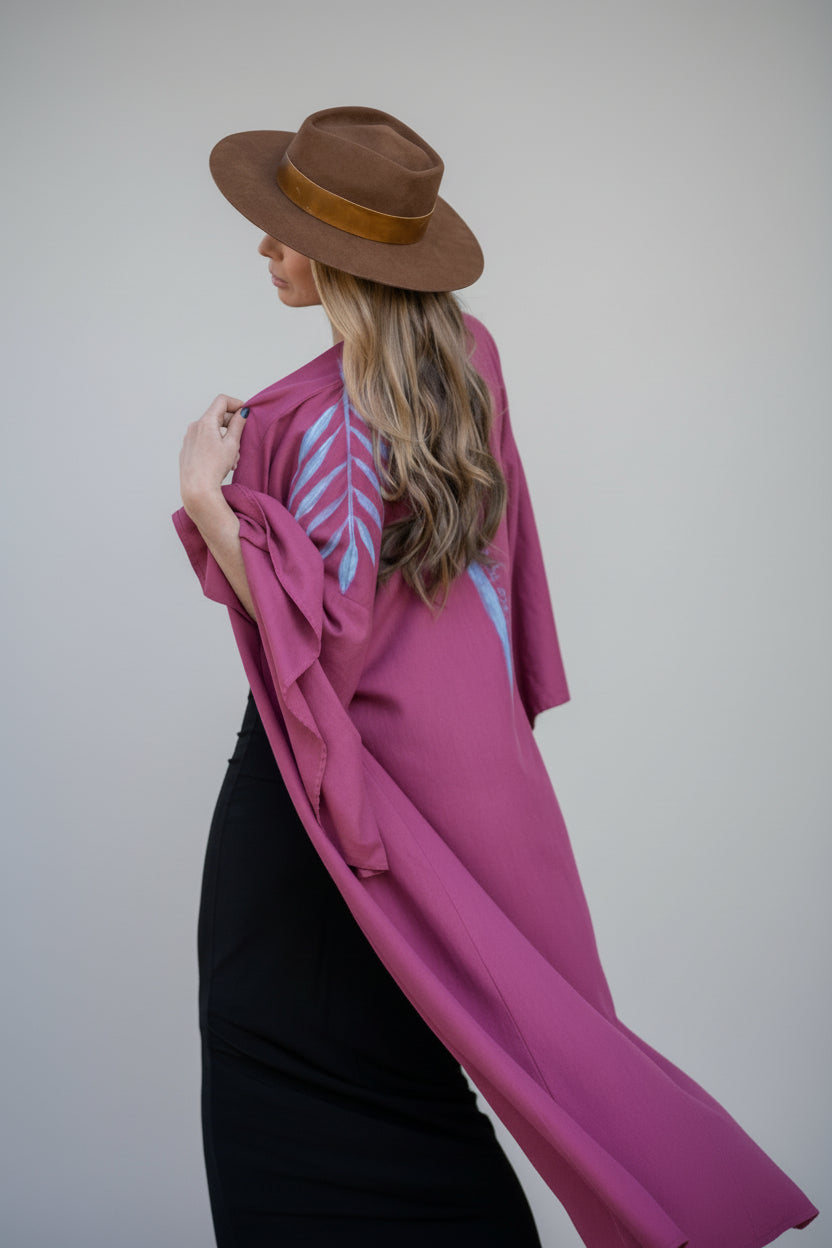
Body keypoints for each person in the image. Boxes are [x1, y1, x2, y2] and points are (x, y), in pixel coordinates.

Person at [175, 107, 817, 1248]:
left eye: (280, 235)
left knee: (277, 1056)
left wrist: (208, 496)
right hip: (458, 780)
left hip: (325, 792)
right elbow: (490, 583)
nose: (264, 252)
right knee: (425, 1062)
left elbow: (316, 641)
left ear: (335, 258)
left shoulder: (320, 417)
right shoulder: (464, 361)